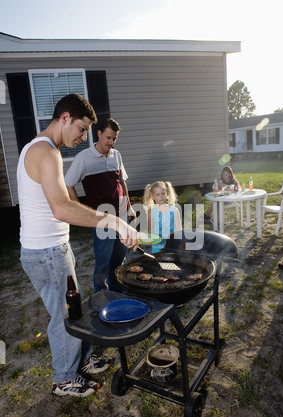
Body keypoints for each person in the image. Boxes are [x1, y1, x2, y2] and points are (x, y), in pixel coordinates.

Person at [17, 94, 138, 397]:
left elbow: (62, 204)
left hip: (49, 249)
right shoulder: (47, 152)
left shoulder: (36, 147)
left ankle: (82, 360)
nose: (84, 137)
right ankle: (65, 379)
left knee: (73, 310)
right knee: (65, 316)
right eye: (82, 129)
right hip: (46, 253)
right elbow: (61, 208)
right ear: (66, 118)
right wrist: (113, 221)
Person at [65, 118, 135, 293]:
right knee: (103, 262)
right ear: (99, 134)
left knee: (119, 259)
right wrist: (78, 207)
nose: (111, 142)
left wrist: (129, 205)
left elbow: (122, 182)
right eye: (108, 138)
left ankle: (117, 291)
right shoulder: (84, 158)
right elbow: (68, 183)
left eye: (114, 139)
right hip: (102, 219)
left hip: (121, 215)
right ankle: (100, 295)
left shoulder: (116, 155)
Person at [143, 181, 182, 253]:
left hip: (173, 246)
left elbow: (179, 231)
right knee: (160, 263)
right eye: (157, 194)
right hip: (158, 247)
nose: (161, 196)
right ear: (152, 196)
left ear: (167, 193)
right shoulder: (151, 212)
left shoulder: (174, 210)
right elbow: (151, 233)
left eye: (163, 193)